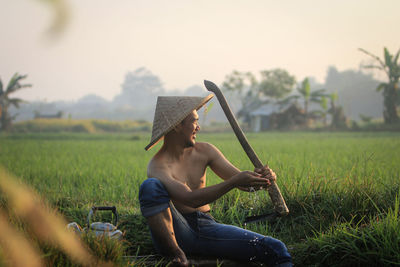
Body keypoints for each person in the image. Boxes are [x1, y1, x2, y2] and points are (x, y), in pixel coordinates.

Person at [139, 94, 292, 267]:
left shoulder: (205, 151)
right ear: (176, 126)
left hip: (205, 227)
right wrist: (233, 182)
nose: (198, 127)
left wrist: (264, 178)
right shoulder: (158, 166)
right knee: (150, 186)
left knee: (275, 249)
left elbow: (244, 184)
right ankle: (176, 253)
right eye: (194, 122)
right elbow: (191, 199)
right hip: (175, 232)